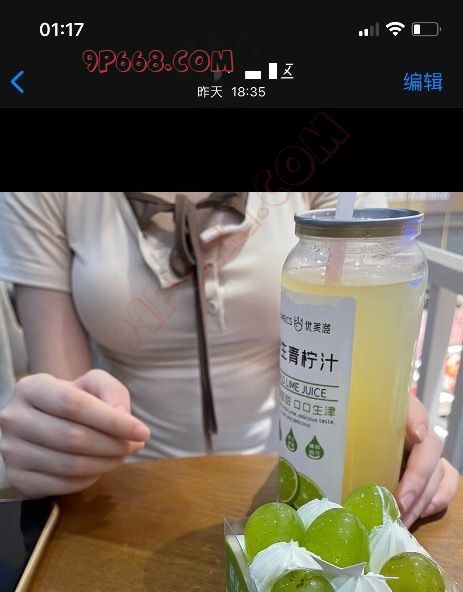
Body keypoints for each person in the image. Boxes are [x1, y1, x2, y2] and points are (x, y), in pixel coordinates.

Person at [0, 191, 458, 528]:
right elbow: (64, 392)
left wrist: (388, 429)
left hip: (286, 484)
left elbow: (365, 331)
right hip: (123, 494)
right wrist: (52, 435)